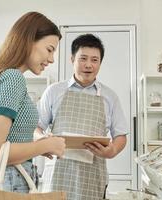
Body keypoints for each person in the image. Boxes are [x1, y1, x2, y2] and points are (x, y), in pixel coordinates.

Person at [0, 11, 65, 193]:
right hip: (8, 182)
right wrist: (45, 145)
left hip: (12, 180)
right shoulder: (12, 78)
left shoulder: (7, 77)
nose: (51, 59)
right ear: (28, 40)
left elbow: (11, 136)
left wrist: (39, 144)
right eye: (49, 49)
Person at [37, 34, 128, 200]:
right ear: (72, 59)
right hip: (58, 171)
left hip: (93, 174)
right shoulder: (53, 91)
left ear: (100, 63)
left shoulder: (110, 96)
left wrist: (112, 150)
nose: (88, 65)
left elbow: (120, 135)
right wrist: (44, 142)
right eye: (83, 58)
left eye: (94, 60)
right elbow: (36, 127)